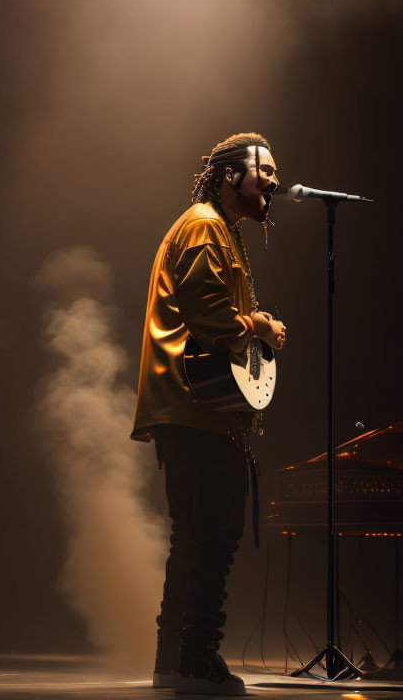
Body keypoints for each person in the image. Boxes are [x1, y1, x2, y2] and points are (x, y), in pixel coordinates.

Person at [131, 133, 286, 695]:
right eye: (262, 169)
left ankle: (175, 662)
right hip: (195, 408)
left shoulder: (216, 227)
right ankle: (196, 661)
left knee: (197, 537)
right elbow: (208, 314)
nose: (271, 179)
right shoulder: (203, 225)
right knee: (212, 536)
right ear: (228, 174)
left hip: (196, 408)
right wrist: (261, 326)